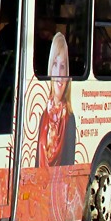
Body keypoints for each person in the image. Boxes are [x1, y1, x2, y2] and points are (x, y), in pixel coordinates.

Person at [37, 31, 76, 167]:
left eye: (63, 66)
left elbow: (69, 167)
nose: (59, 75)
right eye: (55, 65)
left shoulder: (69, 118)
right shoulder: (42, 114)